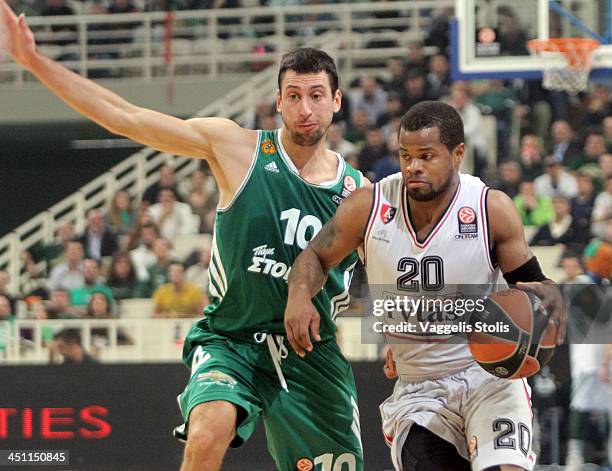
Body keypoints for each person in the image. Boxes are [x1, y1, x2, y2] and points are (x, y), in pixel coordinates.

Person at [0, 13, 365, 468]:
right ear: (277, 101)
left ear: (336, 101)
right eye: (293, 96)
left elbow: (400, 265)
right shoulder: (237, 149)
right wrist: (34, 62)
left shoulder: (358, 192)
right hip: (232, 339)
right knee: (208, 428)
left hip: (310, 354)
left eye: (315, 96)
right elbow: (124, 117)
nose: (305, 109)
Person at [285, 101, 566, 471]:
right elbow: (314, 257)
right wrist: (299, 295)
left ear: (458, 154)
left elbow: (534, 286)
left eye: (426, 156)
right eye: (405, 155)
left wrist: (550, 301)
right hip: (420, 388)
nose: (413, 166)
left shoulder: (489, 208)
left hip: (489, 379)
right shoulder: (368, 206)